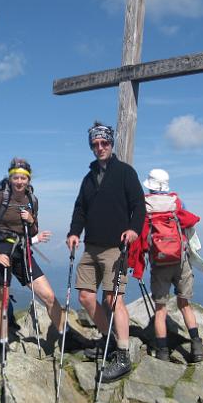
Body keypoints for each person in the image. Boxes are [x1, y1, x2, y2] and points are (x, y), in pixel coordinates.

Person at [66, 122, 146, 382]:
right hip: (91, 246)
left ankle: (122, 355)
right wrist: (74, 232)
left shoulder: (125, 172)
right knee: (86, 297)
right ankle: (109, 341)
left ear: (111, 144)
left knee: (113, 300)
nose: (100, 147)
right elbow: (80, 209)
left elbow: (139, 206)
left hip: (115, 247)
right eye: (95, 144)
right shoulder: (88, 178)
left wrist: (133, 229)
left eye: (104, 143)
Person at [0, 157, 79, 352]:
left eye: (23, 178)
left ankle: (66, 336)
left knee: (49, 296)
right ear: (10, 178)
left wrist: (31, 218)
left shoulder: (32, 200)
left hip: (22, 252)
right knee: (1, 301)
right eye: (16, 178)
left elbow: (34, 230)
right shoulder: (0, 198)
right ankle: (1, 346)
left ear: (29, 179)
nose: (20, 182)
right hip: (1, 251)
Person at [129, 168, 203, 363]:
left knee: (160, 309)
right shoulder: (176, 202)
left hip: (159, 263)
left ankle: (162, 352)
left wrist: (136, 263)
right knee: (184, 304)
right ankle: (196, 347)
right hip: (181, 262)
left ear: (150, 185)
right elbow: (188, 225)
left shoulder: (144, 205)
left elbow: (139, 237)